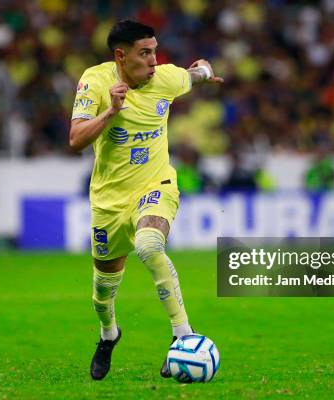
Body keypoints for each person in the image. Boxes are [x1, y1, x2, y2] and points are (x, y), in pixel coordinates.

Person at [69, 20, 223, 381]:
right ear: (121, 56)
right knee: (103, 291)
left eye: (155, 50)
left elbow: (195, 73)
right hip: (109, 199)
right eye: (145, 53)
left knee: (150, 244)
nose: (154, 60)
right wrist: (110, 112)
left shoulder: (166, 78)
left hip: (156, 184)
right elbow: (76, 138)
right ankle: (109, 334)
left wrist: (205, 71)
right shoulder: (95, 82)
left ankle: (182, 338)